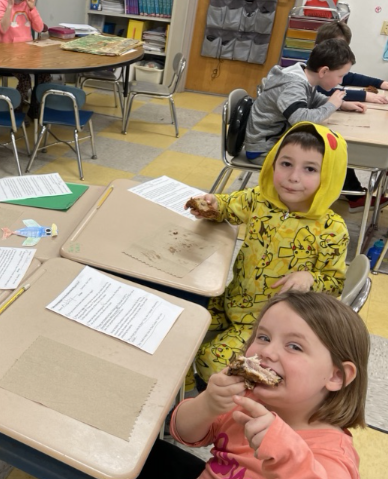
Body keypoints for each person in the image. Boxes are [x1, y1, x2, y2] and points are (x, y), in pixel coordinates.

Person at [185, 122, 349, 389]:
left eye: (309, 169)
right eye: (286, 164)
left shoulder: (332, 229)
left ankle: (213, 404)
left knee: (210, 360)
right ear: (273, 163)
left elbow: (335, 283)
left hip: (269, 325)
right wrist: (214, 205)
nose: (293, 177)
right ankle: (177, 388)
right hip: (232, 300)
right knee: (182, 322)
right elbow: (230, 206)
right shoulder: (260, 199)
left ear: (329, 175)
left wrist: (309, 278)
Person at [138, 291, 369, 479]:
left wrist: (290, 458)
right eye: (264, 337)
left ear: (336, 376)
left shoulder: (333, 456)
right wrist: (208, 404)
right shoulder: (246, 400)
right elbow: (182, 432)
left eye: (294, 346)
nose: (267, 351)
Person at [314, 21, 388, 213]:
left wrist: (379, 83)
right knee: (338, 144)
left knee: (340, 142)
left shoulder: (324, 66)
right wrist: (363, 95)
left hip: (313, 121)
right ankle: (354, 195)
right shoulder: (311, 70)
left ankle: (348, 190)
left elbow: (346, 78)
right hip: (293, 134)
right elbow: (324, 90)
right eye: (335, 47)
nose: (339, 52)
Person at [244, 38, 364, 164]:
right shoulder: (293, 85)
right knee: (326, 161)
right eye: (340, 76)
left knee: (331, 156)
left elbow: (314, 98)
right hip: (264, 149)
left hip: (278, 141)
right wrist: (331, 105)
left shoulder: (304, 77)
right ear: (324, 71)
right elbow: (301, 120)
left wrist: (342, 105)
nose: (341, 81)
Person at [0, 0, 51, 113]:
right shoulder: (2, 3)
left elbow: (39, 28)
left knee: (45, 74)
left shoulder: (27, 4)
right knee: (25, 80)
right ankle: (15, 110)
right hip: (8, 54)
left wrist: (32, 9)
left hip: (27, 53)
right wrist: (9, 7)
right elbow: (3, 29)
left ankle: (35, 109)